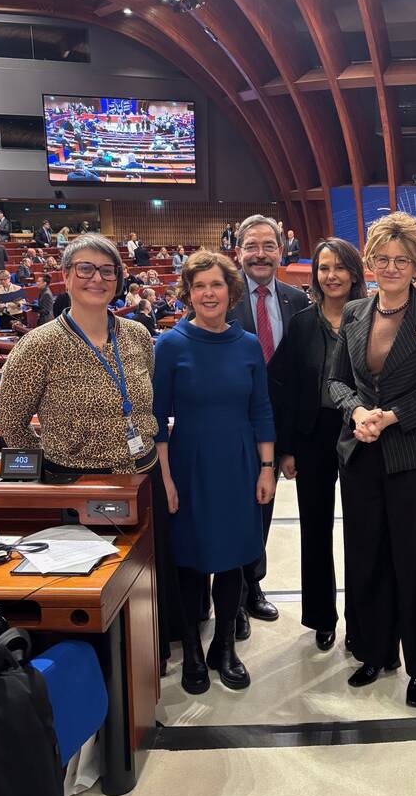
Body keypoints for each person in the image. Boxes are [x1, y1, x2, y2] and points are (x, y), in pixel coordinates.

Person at [0, 234, 177, 670]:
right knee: (95, 593)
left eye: (107, 270)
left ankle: (155, 657)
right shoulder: (41, 344)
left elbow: (144, 404)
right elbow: (10, 421)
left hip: (142, 476)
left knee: (153, 578)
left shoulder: (136, 335)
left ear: (118, 278)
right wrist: (56, 461)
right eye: (86, 269)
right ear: (66, 276)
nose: (97, 278)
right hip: (80, 488)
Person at [329, 212, 416, 708]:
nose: (390, 267)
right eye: (382, 259)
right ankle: (374, 650)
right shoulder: (355, 313)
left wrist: (392, 416)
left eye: (400, 260)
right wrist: (359, 410)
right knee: (367, 557)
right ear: (370, 262)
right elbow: (335, 381)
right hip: (362, 454)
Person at [153, 250, 275, 694]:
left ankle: (225, 647)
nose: (209, 293)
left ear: (231, 291)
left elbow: (260, 408)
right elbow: (156, 419)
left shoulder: (246, 345)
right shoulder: (168, 346)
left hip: (240, 463)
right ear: (188, 293)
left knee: (232, 562)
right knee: (191, 562)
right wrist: (165, 478)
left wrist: (266, 468)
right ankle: (192, 650)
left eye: (217, 285)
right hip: (189, 464)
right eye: (200, 285)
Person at [270, 238, 367, 652]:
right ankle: (322, 617)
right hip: (312, 435)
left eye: (340, 268)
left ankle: (364, 622)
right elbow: (286, 388)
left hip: (361, 434)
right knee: (315, 528)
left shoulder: (372, 317)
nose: (331, 276)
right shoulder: (302, 324)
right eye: (324, 268)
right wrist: (287, 448)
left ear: (354, 273)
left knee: (364, 532)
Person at [231, 215, 309, 635]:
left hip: (274, 429)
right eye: (252, 246)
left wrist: (290, 443)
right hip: (228, 426)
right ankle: (230, 593)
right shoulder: (220, 296)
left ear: (282, 251)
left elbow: (298, 377)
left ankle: (251, 587)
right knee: (231, 510)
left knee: (262, 509)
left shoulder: (298, 301)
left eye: (268, 246)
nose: (260, 254)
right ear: (238, 252)